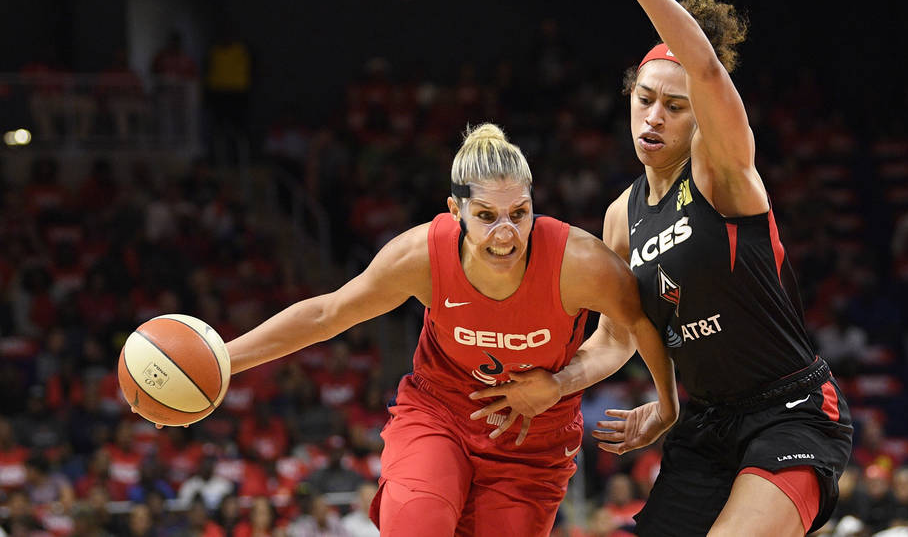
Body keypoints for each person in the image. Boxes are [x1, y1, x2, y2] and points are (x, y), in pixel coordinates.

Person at [470, 0, 853, 536]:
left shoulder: (722, 173)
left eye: (674, 107)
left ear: (699, 117)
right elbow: (615, 337)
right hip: (704, 427)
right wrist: (558, 385)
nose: (653, 116)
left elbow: (704, 66)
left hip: (789, 413)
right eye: (644, 99)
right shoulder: (621, 216)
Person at [174, 124, 678, 537]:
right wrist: (222, 360)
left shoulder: (579, 261)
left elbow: (627, 333)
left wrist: (567, 385)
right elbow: (328, 314)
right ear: (454, 210)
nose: (506, 234)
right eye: (486, 216)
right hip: (441, 414)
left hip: (532, 440)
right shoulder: (421, 255)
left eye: (519, 214)